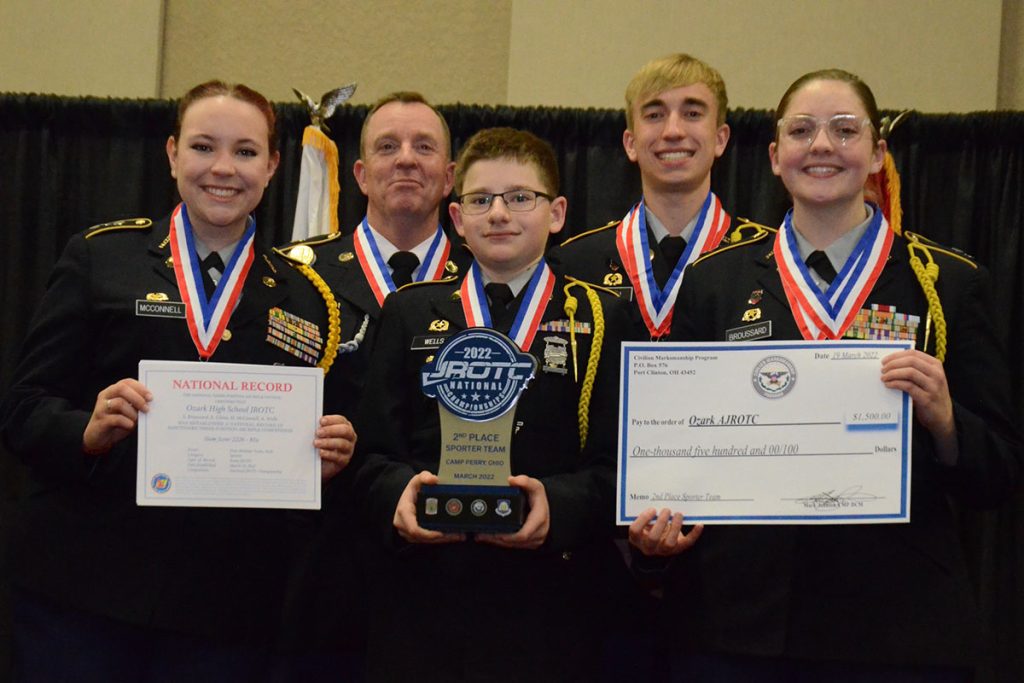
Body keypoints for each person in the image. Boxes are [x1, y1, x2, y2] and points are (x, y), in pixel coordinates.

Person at [638, 69, 1022, 681]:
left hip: (897, 627)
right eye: (801, 130)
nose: (821, 146)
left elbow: (1000, 474)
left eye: (845, 130)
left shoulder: (947, 283)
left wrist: (947, 421)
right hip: (738, 627)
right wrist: (660, 519)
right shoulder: (716, 281)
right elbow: (685, 450)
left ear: (877, 153)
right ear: (773, 156)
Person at [0, 80, 357, 682]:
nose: (223, 168)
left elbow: (316, 458)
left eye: (245, 152)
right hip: (86, 592)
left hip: (227, 610)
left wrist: (328, 454)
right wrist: (85, 431)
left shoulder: (308, 295)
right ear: (171, 155)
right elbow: (23, 410)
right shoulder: (100, 258)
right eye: (202, 147)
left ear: (273, 165)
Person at [353, 127, 629, 682]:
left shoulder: (604, 317)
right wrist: (398, 496)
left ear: (556, 213)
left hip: (553, 603)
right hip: (426, 598)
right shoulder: (409, 312)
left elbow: (621, 466)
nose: (498, 214)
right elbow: (371, 453)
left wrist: (558, 503)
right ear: (458, 220)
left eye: (520, 197)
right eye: (480, 200)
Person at [275, 91, 472, 679]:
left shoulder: (491, 279)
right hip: (323, 568)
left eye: (423, 147)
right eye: (387, 147)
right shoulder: (295, 277)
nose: (406, 160)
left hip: (450, 567)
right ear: (360, 174)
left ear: (449, 176)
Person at [549, 53, 737, 342]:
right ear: (631, 143)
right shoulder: (573, 265)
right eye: (654, 115)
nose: (673, 131)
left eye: (692, 114)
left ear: (721, 139)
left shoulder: (767, 261)